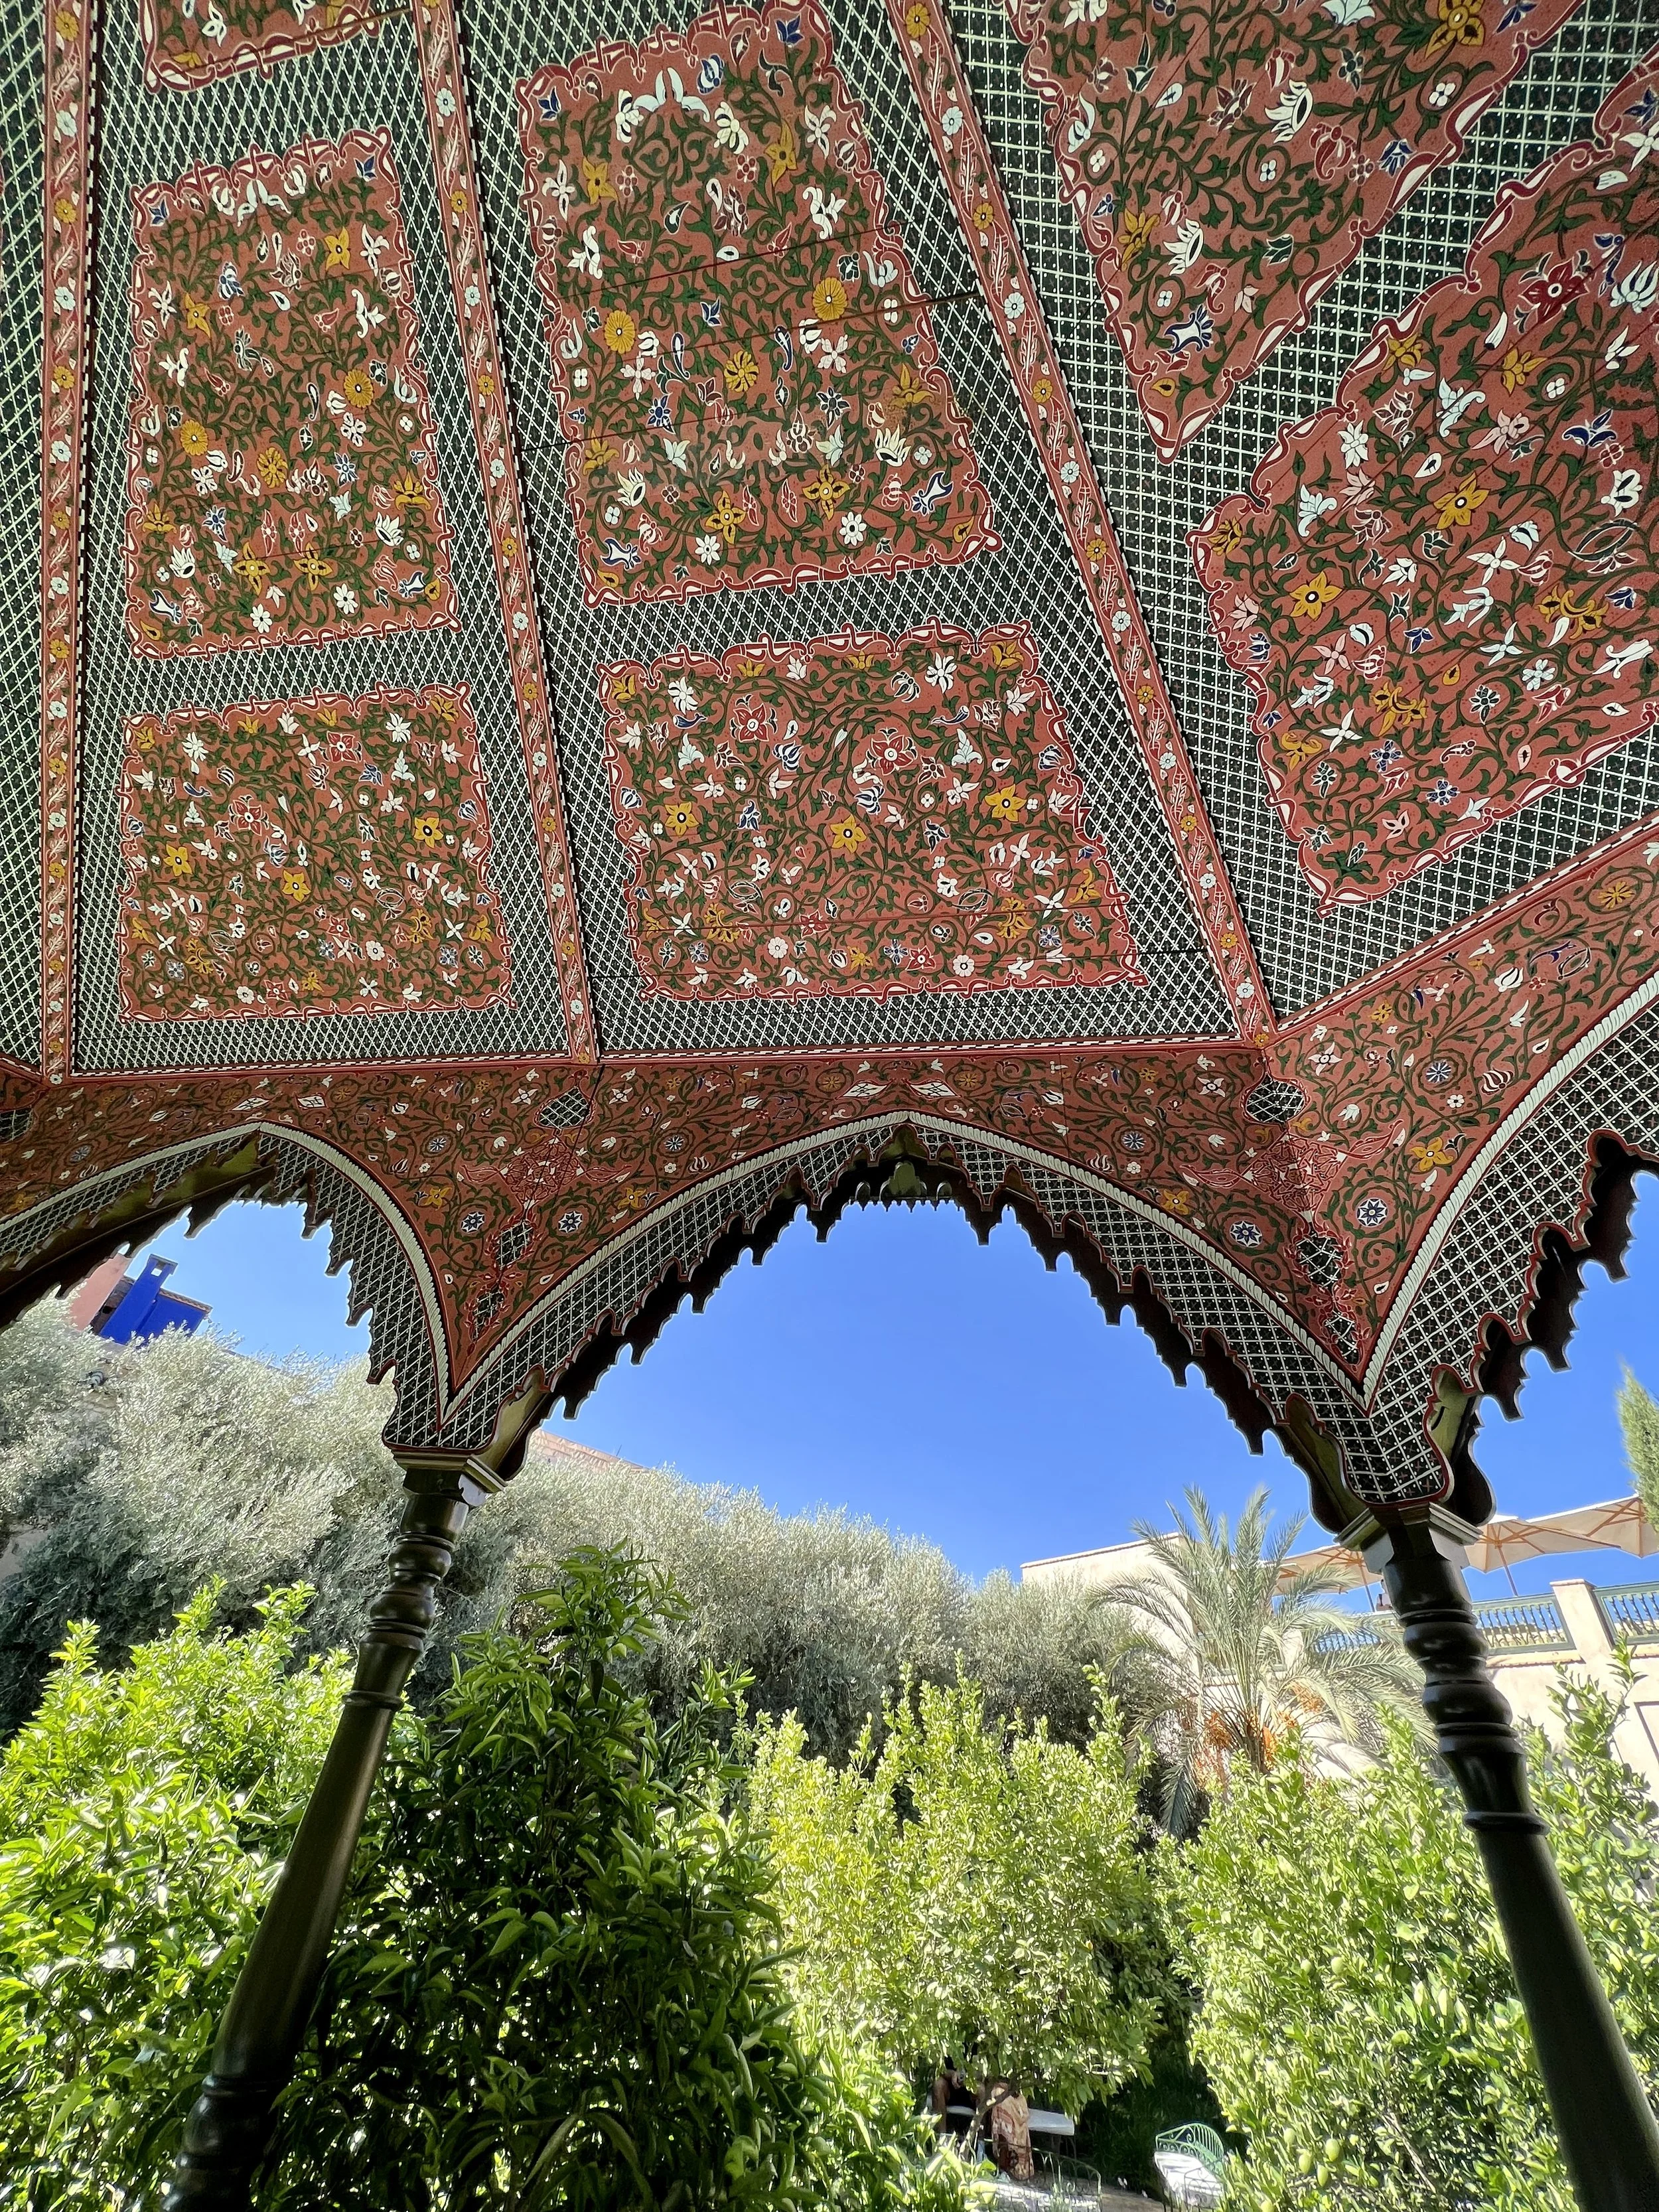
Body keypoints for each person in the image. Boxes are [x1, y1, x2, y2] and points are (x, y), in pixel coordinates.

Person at [981, 2079, 1034, 2179]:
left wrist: (1014, 2089)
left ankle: (1014, 2162)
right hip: (997, 2090)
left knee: (1020, 2102)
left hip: (1013, 2093)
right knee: (1003, 2102)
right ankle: (1003, 2165)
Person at [931, 2055, 977, 2141]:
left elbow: (983, 2075)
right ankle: (942, 2139)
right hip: (949, 2089)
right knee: (938, 2084)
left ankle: (981, 2145)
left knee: (982, 2089)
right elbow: (939, 2069)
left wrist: (969, 2079)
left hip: (971, 2090)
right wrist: (952, 2074)